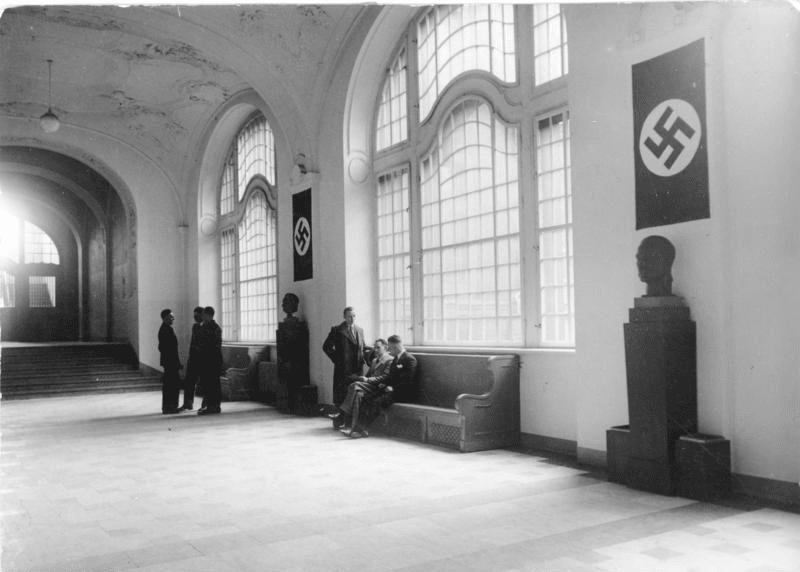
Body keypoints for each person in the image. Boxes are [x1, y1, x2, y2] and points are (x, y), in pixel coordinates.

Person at [328, 338, 394, 437]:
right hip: (369, 386)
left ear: (385, 348)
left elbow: (385, 377)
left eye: (378, 348)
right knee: (358, 395)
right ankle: (355, 429)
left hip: (379, 387)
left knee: (354, 385)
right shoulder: (374, 360)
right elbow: (368, 375)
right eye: (374, 348)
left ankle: (342, 414)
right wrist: (362, 378)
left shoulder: (390, 360)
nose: (375, 350)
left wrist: (367, 380)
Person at [322, 306, 365, 408]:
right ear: (344, 317)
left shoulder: (360, 330)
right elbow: (326, 347)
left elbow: (363, 347)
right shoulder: (337, 330)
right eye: (349, 316)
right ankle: (341, 416)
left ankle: (354, 416)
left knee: (355, 393)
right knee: (342, 394)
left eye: (354, 316)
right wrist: (338, 360)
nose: (352, 319)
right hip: (343, 369)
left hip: (358, 369)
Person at [197, 306, 223, 415]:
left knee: (213, 384)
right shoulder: (206, 326)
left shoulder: (214, 328)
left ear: (208, 315)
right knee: (207, 384)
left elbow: (213, 346)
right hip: (206, 360)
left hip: (212, 360)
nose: (202, 317)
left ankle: (213, 406)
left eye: (203, 315)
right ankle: (209, 405)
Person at [157, 308, 182, 414]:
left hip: (168, 362)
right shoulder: (166, 330)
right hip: (170, 362)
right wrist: (177, 363)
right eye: (171, 316)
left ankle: (169, 406)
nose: (173, 318)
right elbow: (170, 349)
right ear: (165, 317)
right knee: (172, 385)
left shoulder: (165, 328)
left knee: (170, 384)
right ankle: (170, 407)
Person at [179, 306, 203, 411]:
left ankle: (205, 405)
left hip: (202, 360)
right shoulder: (195, 327)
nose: (195, 318)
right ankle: (187, 404)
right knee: (189, 383)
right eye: (194, 316)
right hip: (193, 359)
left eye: (197, 316)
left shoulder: (206, 327)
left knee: (205, 384)